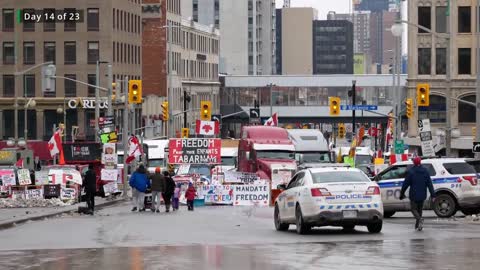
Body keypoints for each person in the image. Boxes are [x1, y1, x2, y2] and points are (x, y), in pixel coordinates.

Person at [400, 157, 436, 231]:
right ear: (420, 162)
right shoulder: (425, 171)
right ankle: (418, 226)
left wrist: (402, 193)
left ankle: (419, 220)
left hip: (413, 194)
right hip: (423, 194)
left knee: (413, 209)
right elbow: (429, 184)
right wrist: (433, 195)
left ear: (414, 163)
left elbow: (405, 184)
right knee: (419, 210)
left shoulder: (411, 171)